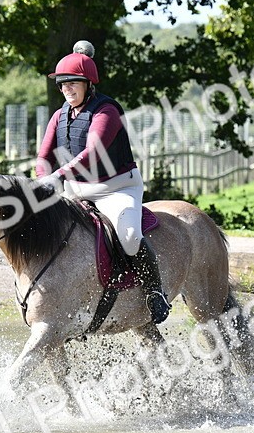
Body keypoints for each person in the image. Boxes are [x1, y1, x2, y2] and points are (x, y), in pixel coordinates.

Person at [34, 40, 171, 324]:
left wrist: (57, 177)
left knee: (130, 236)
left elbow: (93, 153)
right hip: (77, 189)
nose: (66, 89)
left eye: (73, 83)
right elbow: (45, 156)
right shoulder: (60, 116)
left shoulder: (106, 111)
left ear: (88, 84)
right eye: (62, 84)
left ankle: (154, 292)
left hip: (116, 188)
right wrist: (41, 182)